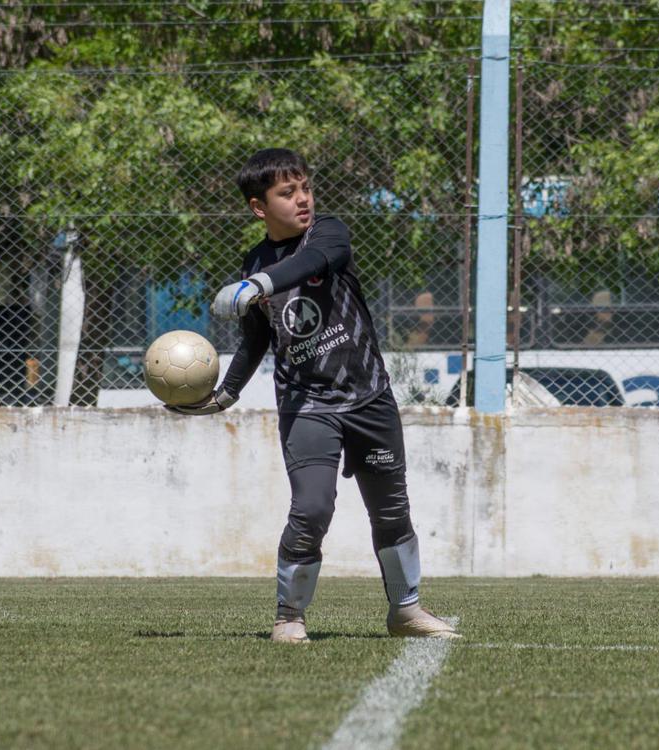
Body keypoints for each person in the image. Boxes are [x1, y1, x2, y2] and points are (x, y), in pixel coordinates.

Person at [170, 148, 458, 644]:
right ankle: (289, 617)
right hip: (308, 405)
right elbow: (257, 339)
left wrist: (255, 284)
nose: (302, 199)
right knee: (313, 507)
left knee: (391, 511)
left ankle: (406, 610)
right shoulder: (255, 262)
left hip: (369, 398)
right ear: (259, 207)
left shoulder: (327, 233)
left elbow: (313, 261)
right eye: (288, 193)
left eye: (305, 187)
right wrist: (226, 394)